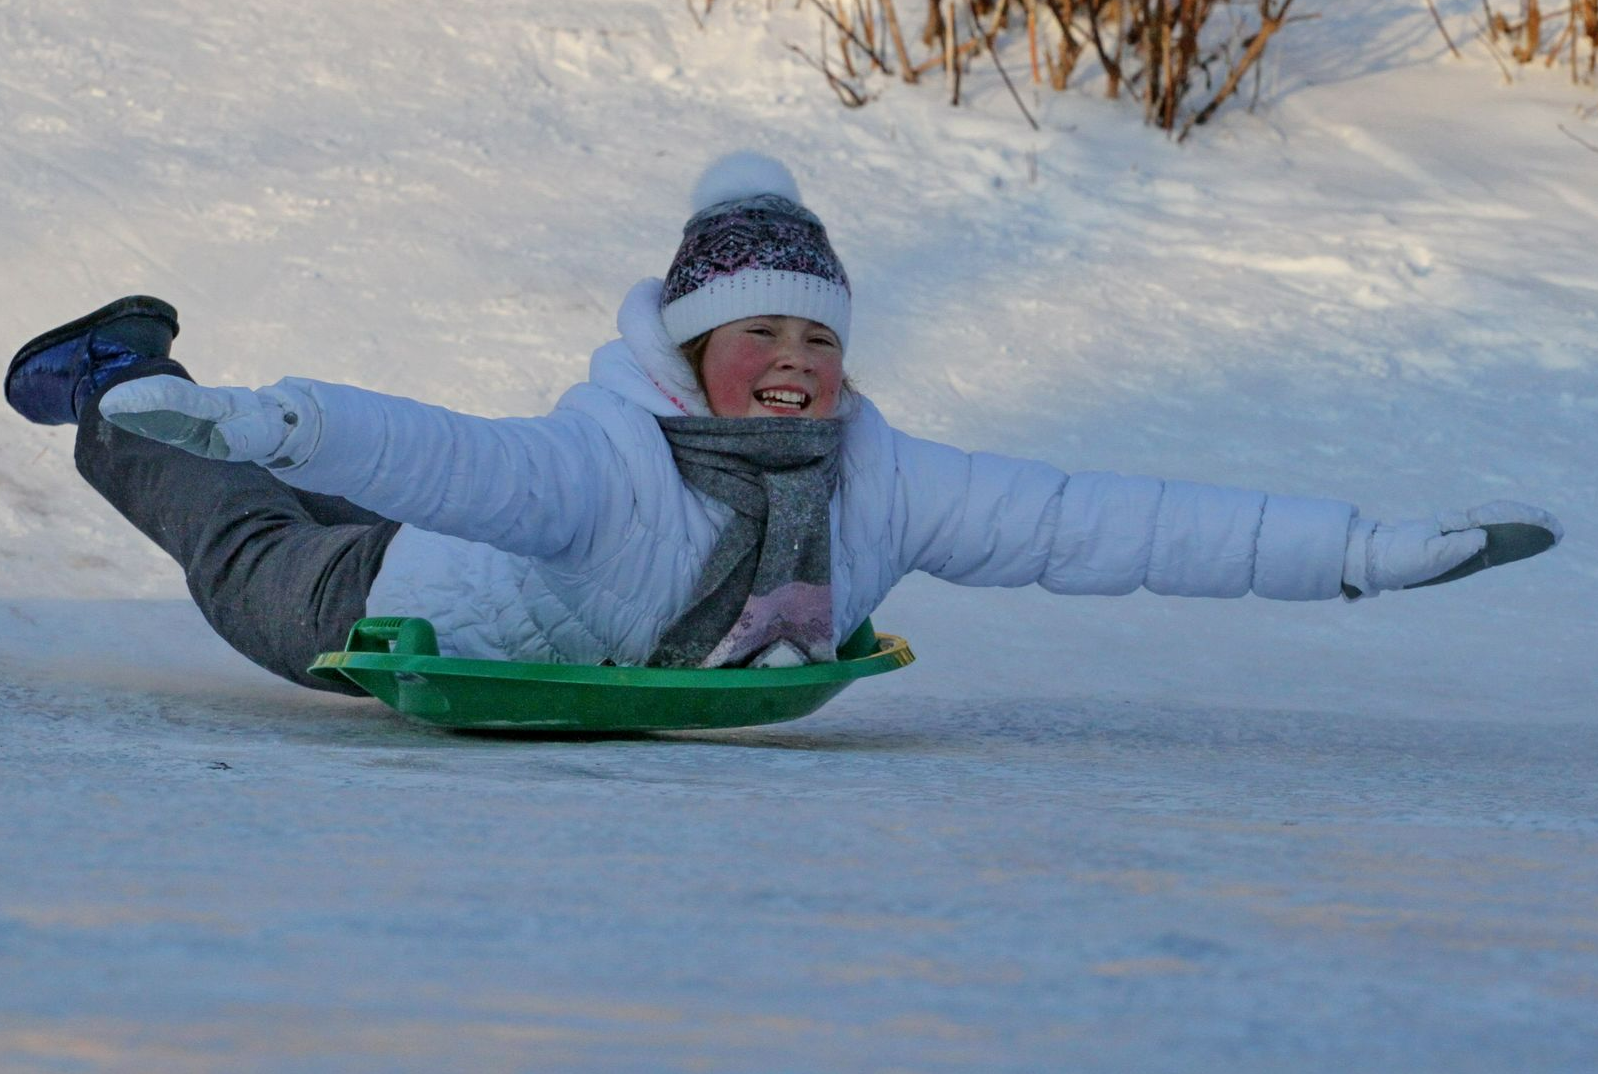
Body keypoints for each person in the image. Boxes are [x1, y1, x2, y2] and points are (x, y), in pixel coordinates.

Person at [4, 153, 1563, 695]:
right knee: (249, 538)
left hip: (513, 605)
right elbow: (439, 459)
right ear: (694, 351)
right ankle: (122, 384)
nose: (795, 361)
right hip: (400, 606)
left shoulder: (882, 481)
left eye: (817, 335)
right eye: (762, 333)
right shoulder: (608, 464)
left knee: (291, 493)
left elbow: (1105, 519)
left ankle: (181, 405)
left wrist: (1357, 552)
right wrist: (275, 419)